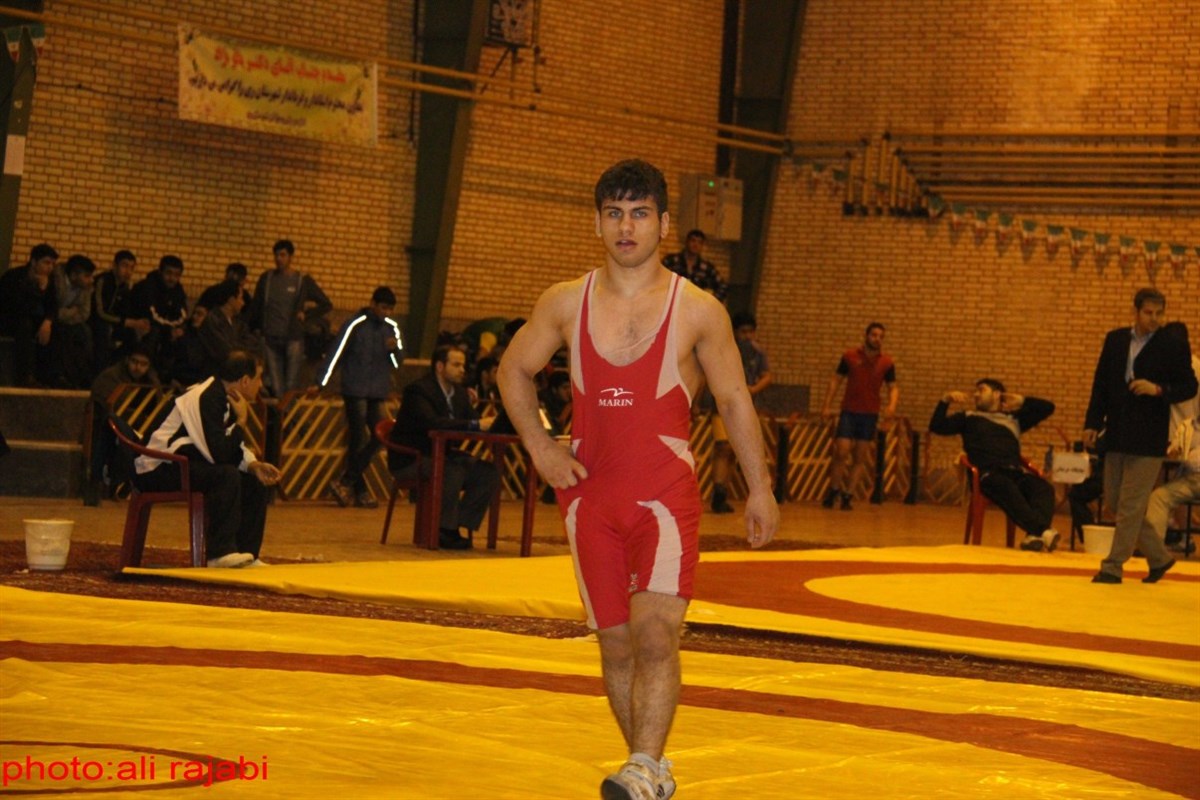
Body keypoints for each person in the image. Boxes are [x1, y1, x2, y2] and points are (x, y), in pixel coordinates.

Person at [496, 158, 779, 800]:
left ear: (665, 224)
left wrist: (759, 487)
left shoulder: (698, 310)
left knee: (654, 635)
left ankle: (644, 767)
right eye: (615, 214)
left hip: (663, 497)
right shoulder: (564, 302)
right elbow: (513, 370)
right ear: (597, 223)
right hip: (588, 499)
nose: (627, 227)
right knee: (617, 646)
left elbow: (734, 399)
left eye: (640, 214)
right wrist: (539, 447)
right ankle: (649, 768)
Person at [1085, 288, 1197, 584]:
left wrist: (1158, 389)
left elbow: (1189, 386)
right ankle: (1159, 558)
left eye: (1159, 313)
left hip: (1149, 438)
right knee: (1114, 502)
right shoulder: (1115, 340)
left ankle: (1113, 566)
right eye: (1148, 313)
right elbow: (1100, 384)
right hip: (1117, 433)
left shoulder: (1172, 345)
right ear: (1135, 311)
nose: (1154, 319)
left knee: (1131, 505)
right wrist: (1092, 423)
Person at [134, 350, 280, 568]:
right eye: (259, 378)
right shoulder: (205, 397)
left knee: (254, 482)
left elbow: (226, 445)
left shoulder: (224, 397)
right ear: (245, 380)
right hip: (156, 468)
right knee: (226, 476)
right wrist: (242, 420)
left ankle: (247, 554)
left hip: (181, 463)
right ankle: (220, 553)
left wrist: (253, 465)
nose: (261, 384)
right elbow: (218, 454)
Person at [388, 344, 499, 550]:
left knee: (488, 472)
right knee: (451, 470)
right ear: (440, 366)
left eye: (463, 365)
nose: (462, 370)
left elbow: (474, 420)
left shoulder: (460, 394)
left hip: (443, 456)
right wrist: (475, 424)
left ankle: (459, 523)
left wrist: (490, 424)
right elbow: (432, 422)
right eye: (456, 365)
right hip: (412, 459)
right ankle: (444, 531)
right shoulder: (418, 391)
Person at [930, 379, 1061, 551]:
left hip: (1015, 473)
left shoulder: (1013, 419)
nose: (976, 394)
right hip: (987, 475)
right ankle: (1043, 531)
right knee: (1006, 486)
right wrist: (945, 400)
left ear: (997, 394)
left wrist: (1022, 401)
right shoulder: (967, 417)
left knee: (1043, 488)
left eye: (981, 390)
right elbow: (937, 426)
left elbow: (1048, 408)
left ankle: (1034, 536)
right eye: (976, 391)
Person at [318, 286, 405, 509]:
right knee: (358, 440)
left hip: (378, 391)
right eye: (383, 307)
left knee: (381, 436)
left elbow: (398, 363)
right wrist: (322, 381)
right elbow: (337, 352)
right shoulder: (355, 324)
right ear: (373, 304)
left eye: (390, 309)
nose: (386, 313)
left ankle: (346, 482)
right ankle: (360, 491)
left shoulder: (391, 328)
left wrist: (394, 350)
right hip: (355, 389)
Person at [820, 322, 898, 511]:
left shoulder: (886, 363)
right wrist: (827, 405)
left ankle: (848, 494)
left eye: (881, 336)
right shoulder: (850, 356)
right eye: (874, 335)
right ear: (866, 336)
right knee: (841, 451)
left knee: (860, 457)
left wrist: (891, 406)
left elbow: (893, 387)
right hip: (849, 411)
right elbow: (836, 380)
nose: (877, 339)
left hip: (870, 414)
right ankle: (834, 489)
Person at [249, 239, 332, 397]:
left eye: (283, 255)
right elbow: (256, 305)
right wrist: (255, 330)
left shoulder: (301, 281)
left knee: (291, 384)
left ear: (290, 257)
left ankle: (287, 411)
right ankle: (281, 411)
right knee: (277, 384)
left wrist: (306, 314)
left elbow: (326, 304)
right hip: (270, 338)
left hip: (293, 338)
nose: (278, 259)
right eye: (276, 255)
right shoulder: (267, 279)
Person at [709, 310, 773, 513]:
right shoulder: (724, 349)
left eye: (751, 332)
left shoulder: (758, 353)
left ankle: (723, 489)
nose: (747, 336)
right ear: (735, 332)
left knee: (735, 450)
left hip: (745, 409)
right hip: (722, 405)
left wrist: (753, 389)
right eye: (743, 332)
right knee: (723, 446)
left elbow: (767, 376)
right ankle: (718, 490)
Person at [85, 342, 160, 504]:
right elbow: (106, 407)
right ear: (127, 360)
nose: (138, 367)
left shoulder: (152, 381)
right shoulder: (111, 377)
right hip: (108, 427)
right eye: (134, 362)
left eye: (143, 364)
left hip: (139, 428)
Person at [0, 243, 58, 387]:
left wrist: (48, 322)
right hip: (11, 320)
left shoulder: (50, 280)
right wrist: (41, 290)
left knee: (56, 329)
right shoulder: (15, 276)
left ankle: (48, 376)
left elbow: (53, 305)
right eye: (46, 263)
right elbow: (18, 307)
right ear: (33, 262)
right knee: (25, 325)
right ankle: (25, 376)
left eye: (52, 264)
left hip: (34, 320)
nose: (50, 267)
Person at [130, 255, 189, 380]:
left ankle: (173, 377)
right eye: (169, 273)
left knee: (182, 337)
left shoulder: (178, 290)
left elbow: (182, 314)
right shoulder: (147, 287)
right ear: (160, 272)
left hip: (163, 327)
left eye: (176, 275)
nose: (172, 278)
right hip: (141, 326)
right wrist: (170, 329)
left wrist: (178, 329)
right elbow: (150, 315)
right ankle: (148, 375)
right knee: (154, 333)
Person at [91, 250, 150, 368]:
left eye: (131, 268)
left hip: (114, 322)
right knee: (103, 330)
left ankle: (117, 367)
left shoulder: (125, 286)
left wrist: (138, 323)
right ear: (114, 265)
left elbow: (126, 311)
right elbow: (99, 312)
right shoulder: (102, 281)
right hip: (96, 321)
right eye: (124, 266)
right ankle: (99, 370)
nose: (128, 271)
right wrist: (127, 322)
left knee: (133, 335)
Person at [49, 254, 97, 388]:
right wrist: (72, 311)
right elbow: (52, 310)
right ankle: (60, 376)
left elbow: (84, 313)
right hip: (51, 321)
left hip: (71, 323)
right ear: (74, 275)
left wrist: (66, 314)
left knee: (85, 333)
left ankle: (82, 376)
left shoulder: (86, 288)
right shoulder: (55, 281)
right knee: (63, 333)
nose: (91, 280)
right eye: (87, 276)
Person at [197, 280, 263, 378]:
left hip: (234, 375)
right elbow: (225, 351)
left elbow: (253, 343)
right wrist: (240, 348)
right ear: (231, 300)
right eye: (240, 298)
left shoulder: (237, 321)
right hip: (214, 375)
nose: (243, 303)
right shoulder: (212, 320)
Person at [661, 228, 727, 302]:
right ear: (687, 242)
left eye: (699, 242)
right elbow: (658, 279)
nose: (696, 245)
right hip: (672, 302)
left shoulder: (707, 268)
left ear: (702, 246)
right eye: (693, 240)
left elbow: (722, 286)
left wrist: (711, 302)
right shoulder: (671, 261)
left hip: (696, 305)